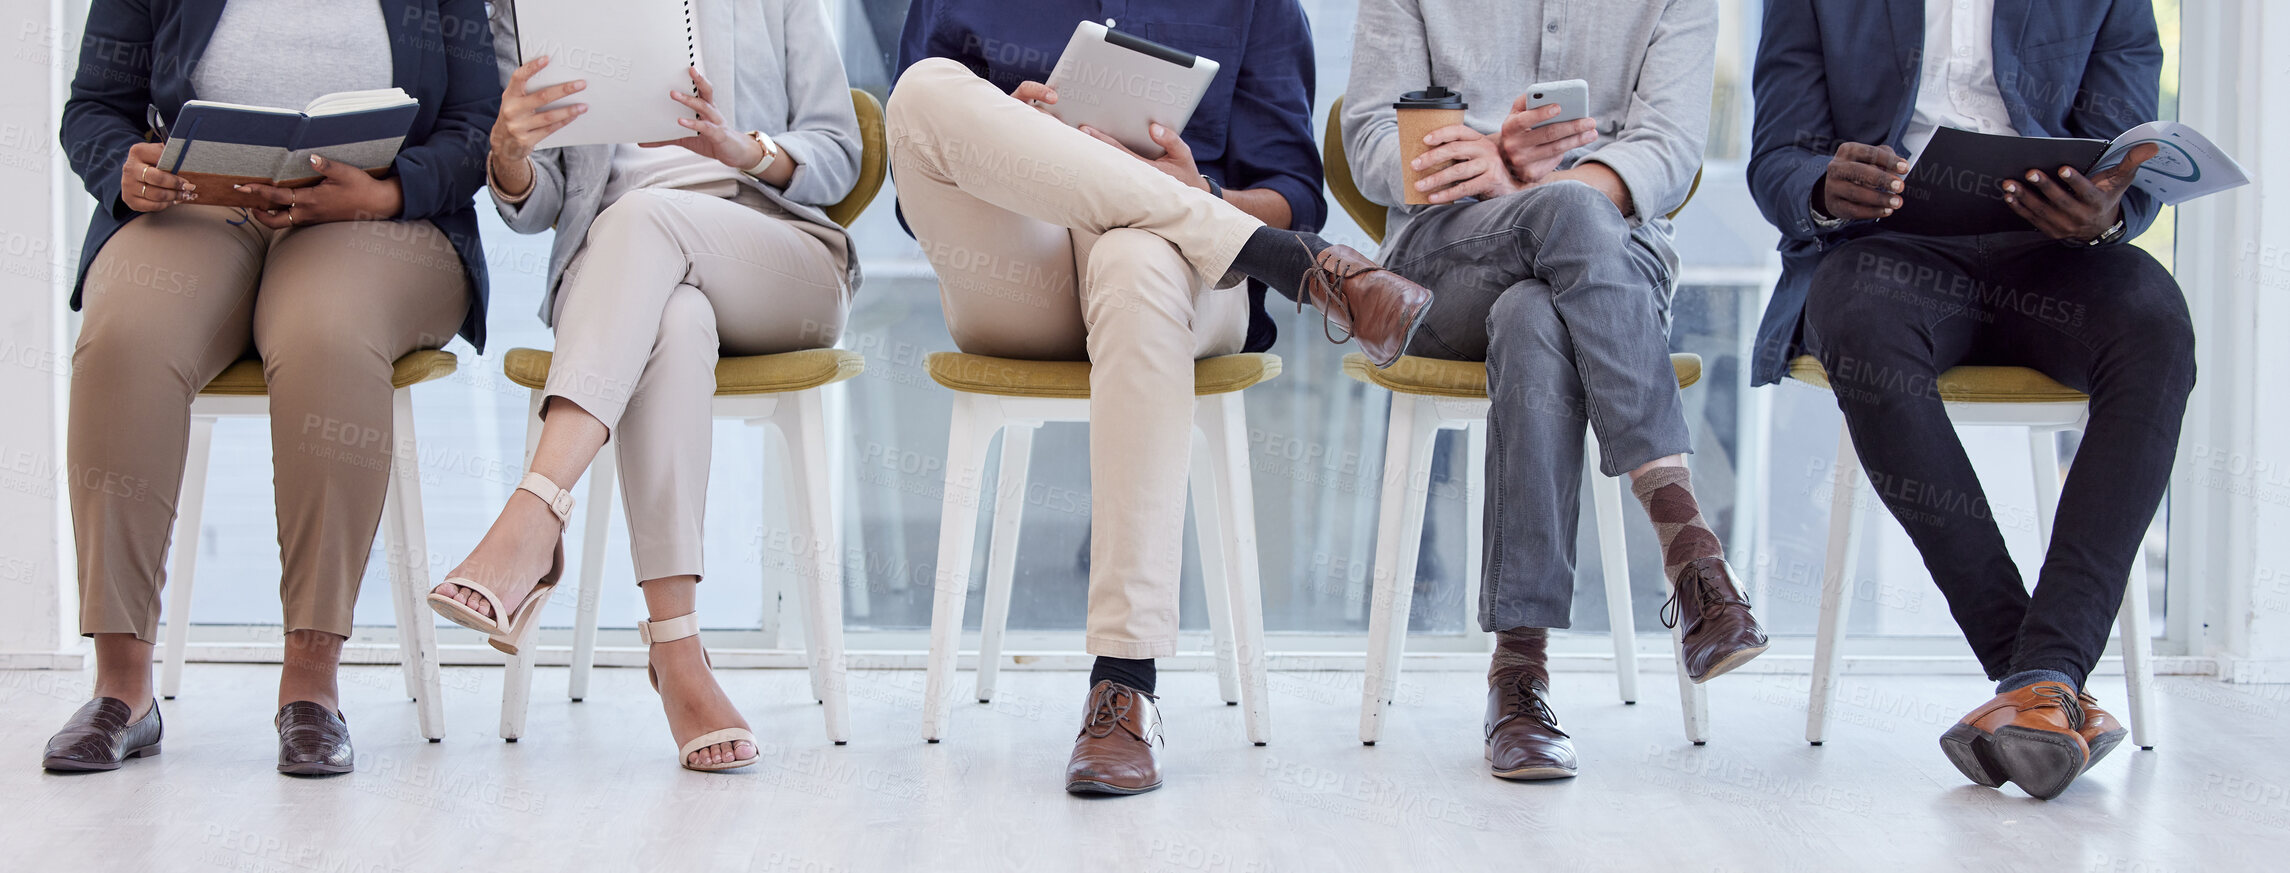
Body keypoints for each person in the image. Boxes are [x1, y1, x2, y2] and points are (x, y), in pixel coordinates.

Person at [891, 0, 1437, 795]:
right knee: (924, 91)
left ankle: (1123, 684)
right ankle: (1294, 266)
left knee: (1138, 256)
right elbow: (921, 180)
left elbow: (1293, 187)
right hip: (1018, 272)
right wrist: (1018, 146)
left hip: (1179, 279)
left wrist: (1198, 188)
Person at [44, 0, 497, 775]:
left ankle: (311, 688)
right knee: (127, 339)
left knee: (327, 336)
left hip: (376, 218)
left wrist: (388, 192)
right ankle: (122, 687)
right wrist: (125, 162)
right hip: (199, 207)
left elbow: (477, 124)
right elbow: (94, 106)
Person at [1748, 0, 2186, 800]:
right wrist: (1822, 184)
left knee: (2156, 325)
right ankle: (2041, 682)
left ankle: (2038, 683)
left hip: (2055, 255)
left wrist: (2108, 209)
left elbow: (2130, 152)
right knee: (1859, 319)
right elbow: (1776, 155)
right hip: (1890, 251)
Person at [430, 0, 864, 772]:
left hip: (778, 256)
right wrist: (508, 154)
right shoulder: (527, 10)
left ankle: (534, 515)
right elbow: (541, 205)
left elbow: (840, 153)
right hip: (626, 285)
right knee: (678, 314)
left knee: (645, 219)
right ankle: (679, 653)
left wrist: (746, 148)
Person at [1341, 0, 1763, 782]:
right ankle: (1690, 548)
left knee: (1535, 315)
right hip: (1445, 261)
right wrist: (1484, 163)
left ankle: (1519, 678)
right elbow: (1366, 138)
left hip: (1615, 259)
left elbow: (1669, 149)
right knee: (1562, 218)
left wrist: (1564, 182)